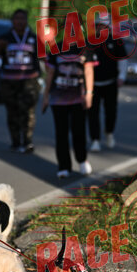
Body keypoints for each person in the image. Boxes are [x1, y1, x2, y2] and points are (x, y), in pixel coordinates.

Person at [42, 38, 97, 178]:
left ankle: (82, 160)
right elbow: (50, 73)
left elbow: (89, 70)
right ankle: (63, 166)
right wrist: (46, 95)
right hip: (58, 98)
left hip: (78, 97)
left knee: (79, 130)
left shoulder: (85, 48)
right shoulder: (56, 48)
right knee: (61, 132)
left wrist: (89, 93)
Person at [0, 9, 42, 153]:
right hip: (9, 81)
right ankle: (15, 141)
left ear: (26, 21)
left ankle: (28, 141)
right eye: (17, 18)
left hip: (29, 81)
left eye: (22, 18)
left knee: (28, 111)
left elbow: (44, 57)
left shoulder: (34, 38)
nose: (19, 21)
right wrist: (0, 47)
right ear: (12, 21)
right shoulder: (4, 38)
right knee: (12, 111)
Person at [88, 14, 127, 152]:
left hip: (111, 82)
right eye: (98, 26)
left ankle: (109, 132)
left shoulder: (116, 41)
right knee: (92, 112)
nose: (100, 28)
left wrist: (122, 76)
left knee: (111, 110)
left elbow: (122, 59)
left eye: (103, 26)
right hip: (92, 84)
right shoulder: (89, 42)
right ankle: (95, 139)